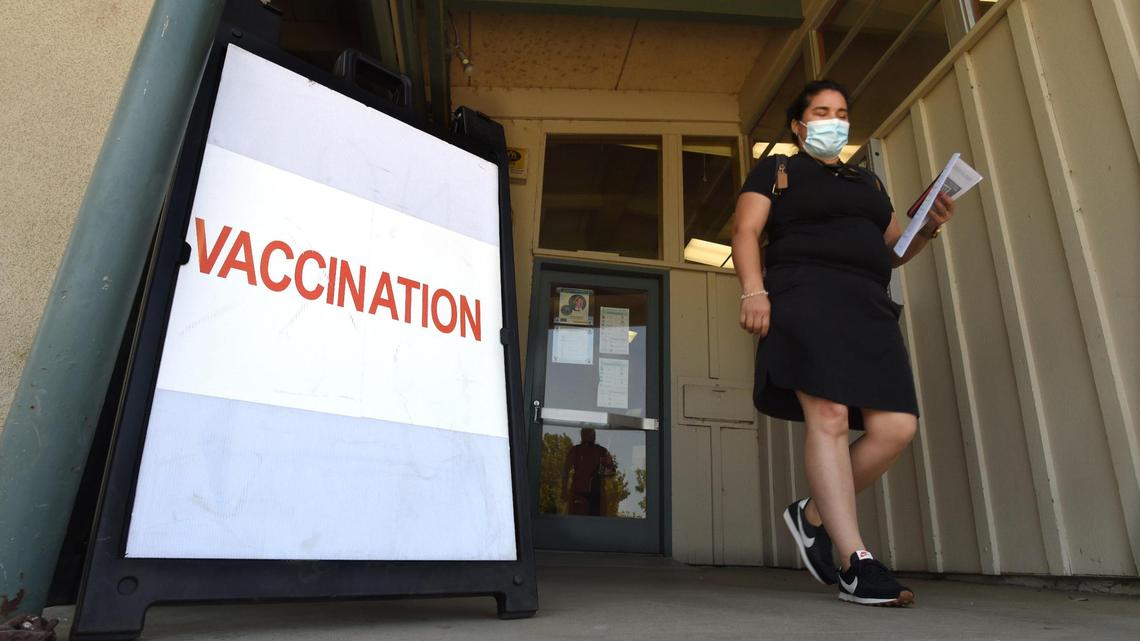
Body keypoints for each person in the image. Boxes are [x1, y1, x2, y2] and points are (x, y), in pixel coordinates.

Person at [731, 79, 956, 606]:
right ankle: (857, 563)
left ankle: (812, 515)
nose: (834, 120)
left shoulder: (869, 183)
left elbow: (893, 250)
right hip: (804, 293)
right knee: (829, 414)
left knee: (897, 426)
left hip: (868, 304)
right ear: (798, 125)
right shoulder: (778, 169)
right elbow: (745, 231)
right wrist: (754, 290)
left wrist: (927, 229)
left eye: (841, 112)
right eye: (821, 112)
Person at [561, 428, 616, 516]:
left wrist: (599, 473)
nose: (589, 436)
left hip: (596, 494)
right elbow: (565, 470)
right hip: (579, 493)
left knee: (596, 521)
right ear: (582, 436)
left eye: (591, 434)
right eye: (586, 434)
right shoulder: (576, 450)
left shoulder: (601, 451)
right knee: (578, 520)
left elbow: (611, 471)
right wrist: (564, 489)